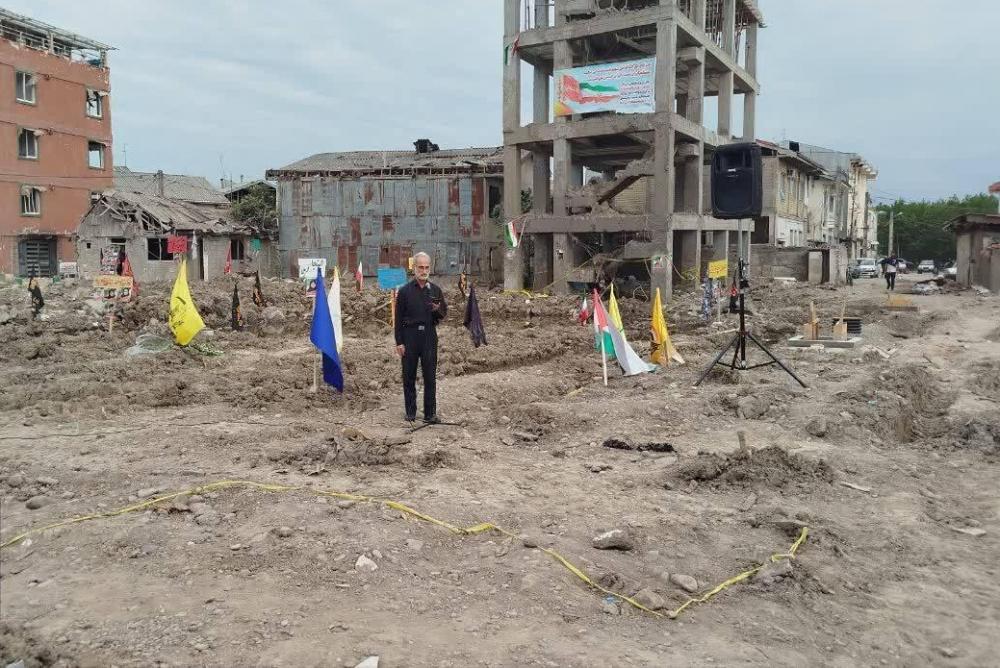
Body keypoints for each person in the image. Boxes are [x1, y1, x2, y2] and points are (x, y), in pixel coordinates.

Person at [394, 252, 447, 423]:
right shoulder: (404, 292)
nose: (424, 271)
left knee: (430, 376)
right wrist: (399, 342)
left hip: (429, 336)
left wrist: (437, 310)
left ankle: (430, 414)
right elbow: (398, 319)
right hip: (410, 336)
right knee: (409, 375)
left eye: (426, 267)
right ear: (414, 268)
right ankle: (410, 412)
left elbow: (443, 313)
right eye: (420, 267)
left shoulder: (436, 290)